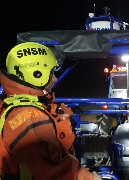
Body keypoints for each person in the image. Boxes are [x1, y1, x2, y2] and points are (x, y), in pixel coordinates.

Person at [0, 42, 101, 180]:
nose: (55, 78)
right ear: (37, 75)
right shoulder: (30, 118)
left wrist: (63, 116)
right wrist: (87, 177)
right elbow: (49, 173)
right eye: (51, 73)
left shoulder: (18, 104)